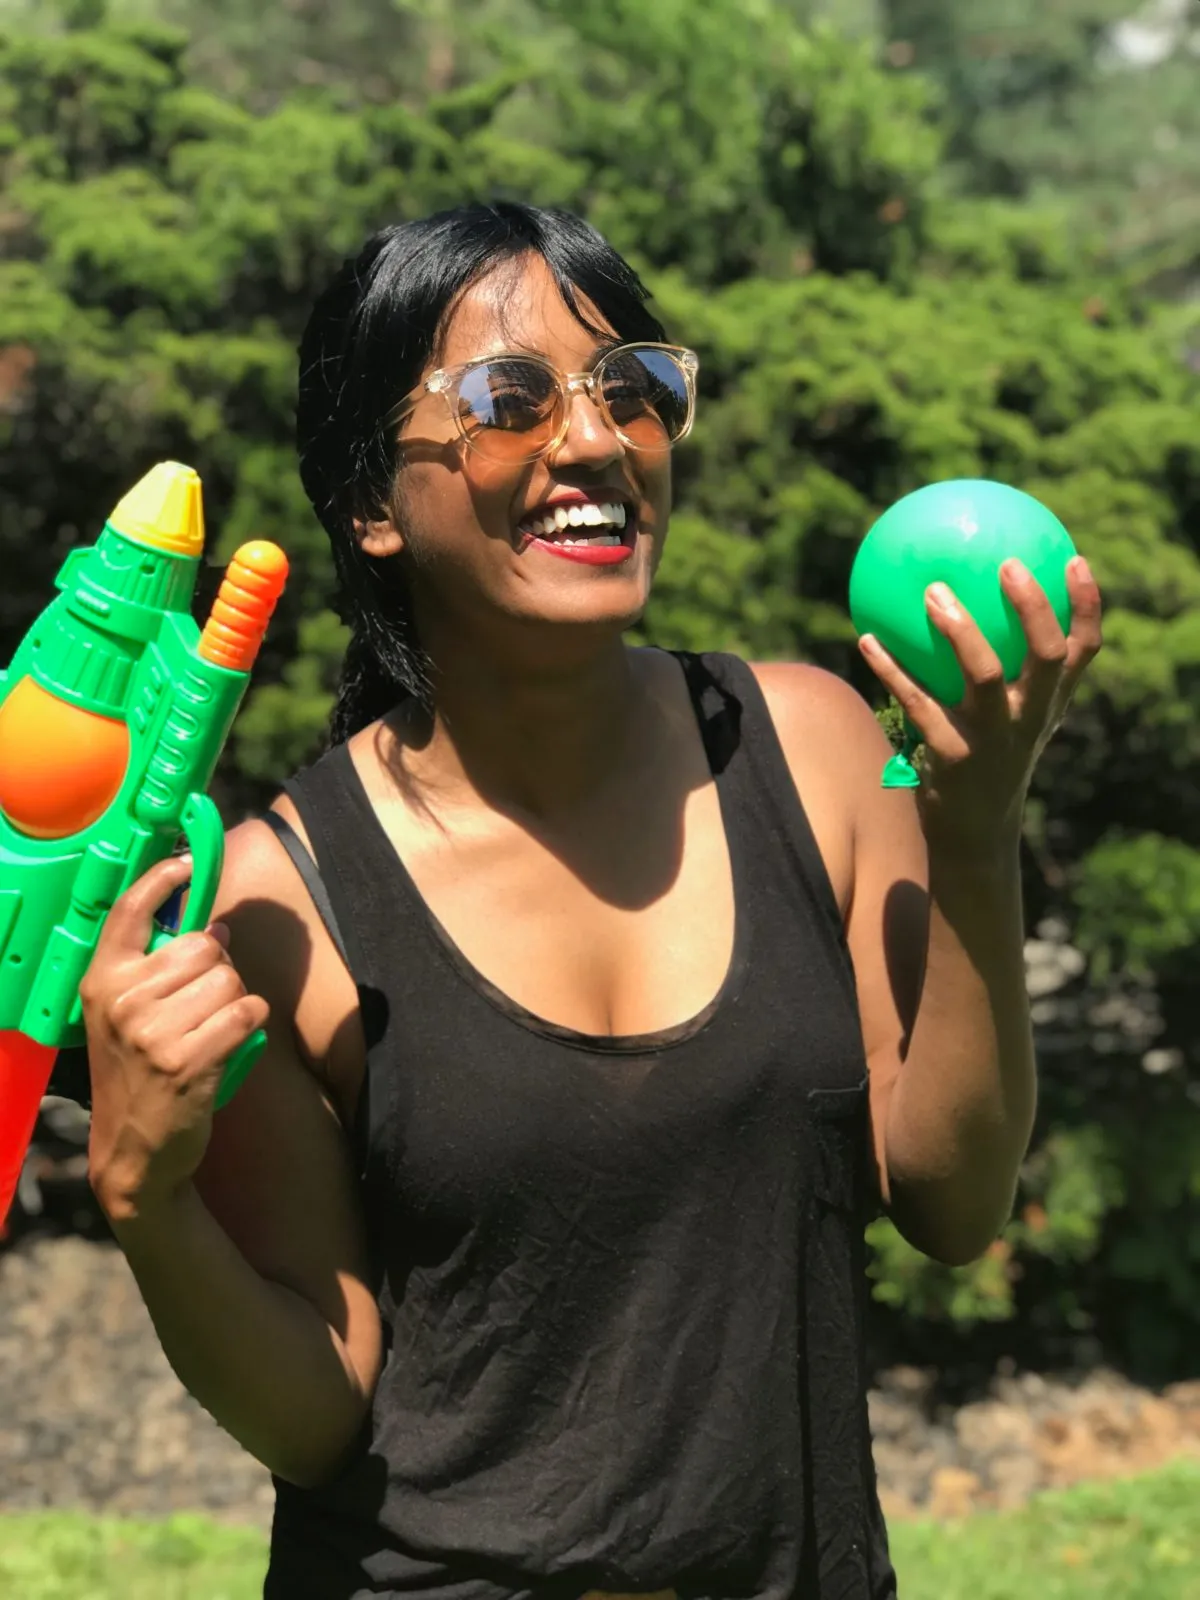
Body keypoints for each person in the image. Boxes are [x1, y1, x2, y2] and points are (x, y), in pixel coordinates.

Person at [79, 201, 1103, 1599]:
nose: (594, 441)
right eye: (508, 399)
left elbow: (951, 1196)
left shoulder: (807, 753)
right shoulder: (280, 898)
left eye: (634, 390)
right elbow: (319, 1414)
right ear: (375, 502)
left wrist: (973, 838)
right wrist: (148, 1197)